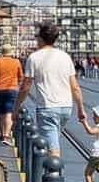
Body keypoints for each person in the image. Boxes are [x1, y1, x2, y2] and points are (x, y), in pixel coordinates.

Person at [16, 22, 91, 155]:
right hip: (66, 108)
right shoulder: (65, 57)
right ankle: (51, 171)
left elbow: (25, 87)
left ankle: (55, 173)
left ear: (41, 38)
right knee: (53, 140)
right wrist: (81, 109)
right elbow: (75, 87)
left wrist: (16, 107)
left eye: (36, 36)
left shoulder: (34, 58)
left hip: (47, 108)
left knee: (52, 147)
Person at [0, 47, 23, 145]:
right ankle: (6, 136)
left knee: (1, 114)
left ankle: (1, 135)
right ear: (11, 52)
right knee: (9, 113)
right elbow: (21, 77)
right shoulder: (16, 62)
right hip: (12, 90)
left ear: (2, 52)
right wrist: (17, 84)